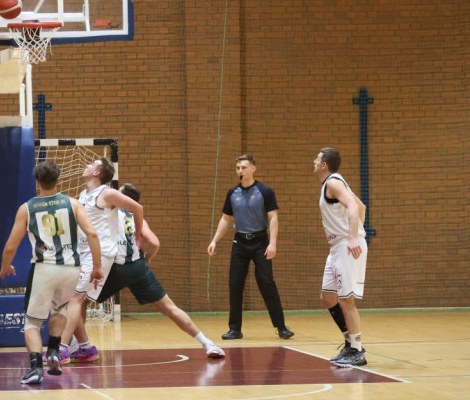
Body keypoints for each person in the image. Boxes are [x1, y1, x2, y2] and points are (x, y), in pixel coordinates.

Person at [0, 160, 103, 385]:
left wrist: (5, 265)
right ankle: (54, 351)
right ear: (58, 180)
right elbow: (93, 234)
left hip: (44, 268)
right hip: (71, 268)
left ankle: (36, 368)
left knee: (31, 323)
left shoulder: (27, 208)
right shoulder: (73, 204)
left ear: (37, 182)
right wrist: (97, 267)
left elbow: (10, 245)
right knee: (60, 311)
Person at [97, 183, 225, 358]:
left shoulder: (109, 215)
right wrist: (147, 258)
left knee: (79, 302)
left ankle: (75, 346)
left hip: (116, 269)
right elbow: (155, 243)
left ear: (123, 199)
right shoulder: (139, 220)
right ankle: (208, 344)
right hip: (138, 268)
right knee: (170, 308)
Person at [57, 157, 142, 363]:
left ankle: (61, 349)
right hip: (82, 251)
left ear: (97, 173)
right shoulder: (84, 194)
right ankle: (85, 348)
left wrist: (138, 236)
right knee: (72, 298)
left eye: (91, 164)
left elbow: (138, 209)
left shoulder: (109, 193)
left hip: (101, 253)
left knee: (75, 299)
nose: (86, 165)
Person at [207, 154, 293, 340]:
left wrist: (273, 243)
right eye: (238, 168)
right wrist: (214, 240)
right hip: (240, 243)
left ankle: (281, 327)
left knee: (266, 282)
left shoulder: (265, 191)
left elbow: (273, 218)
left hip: (261, 242)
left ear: (253, 169)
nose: (240, 171)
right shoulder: (232, 193)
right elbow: (225, 219)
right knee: (235, 284)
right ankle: (235, 329)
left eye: (244, 167)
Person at [313, 147, 368, 367]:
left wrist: (353, 237)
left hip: (346, 244)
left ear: (324, 164)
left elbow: (354, 206)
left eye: (317, 159)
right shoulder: (335, 183)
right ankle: (350, 342)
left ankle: (357, 351)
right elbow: (361, 206)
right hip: (336, 246)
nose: (313, 161)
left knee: (346, 300)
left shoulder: (333, 183)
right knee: (327, 297)